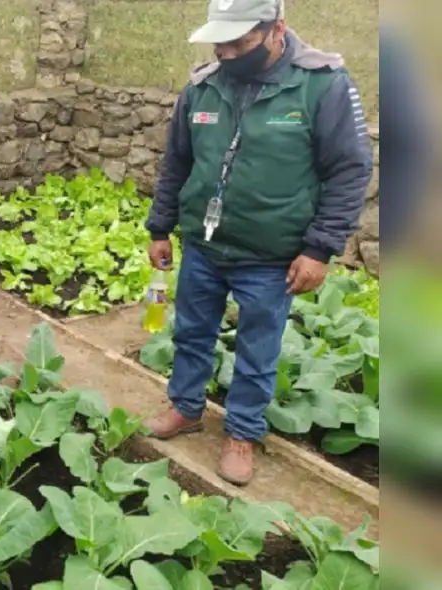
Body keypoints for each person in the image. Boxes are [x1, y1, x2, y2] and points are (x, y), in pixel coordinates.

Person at [143, 0, 373, 485]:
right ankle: (185, 408)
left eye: (238, 41)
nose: (226, 52)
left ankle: (242, 433)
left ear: (276, 30)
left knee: (257, 351)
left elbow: (350, 170)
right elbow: (177, 164)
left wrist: (320, 248)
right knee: (190, 333)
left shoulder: (321, 85)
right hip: (205, 246)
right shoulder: (203, 85)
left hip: (271, 257)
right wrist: (160, 227)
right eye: (218, 41)